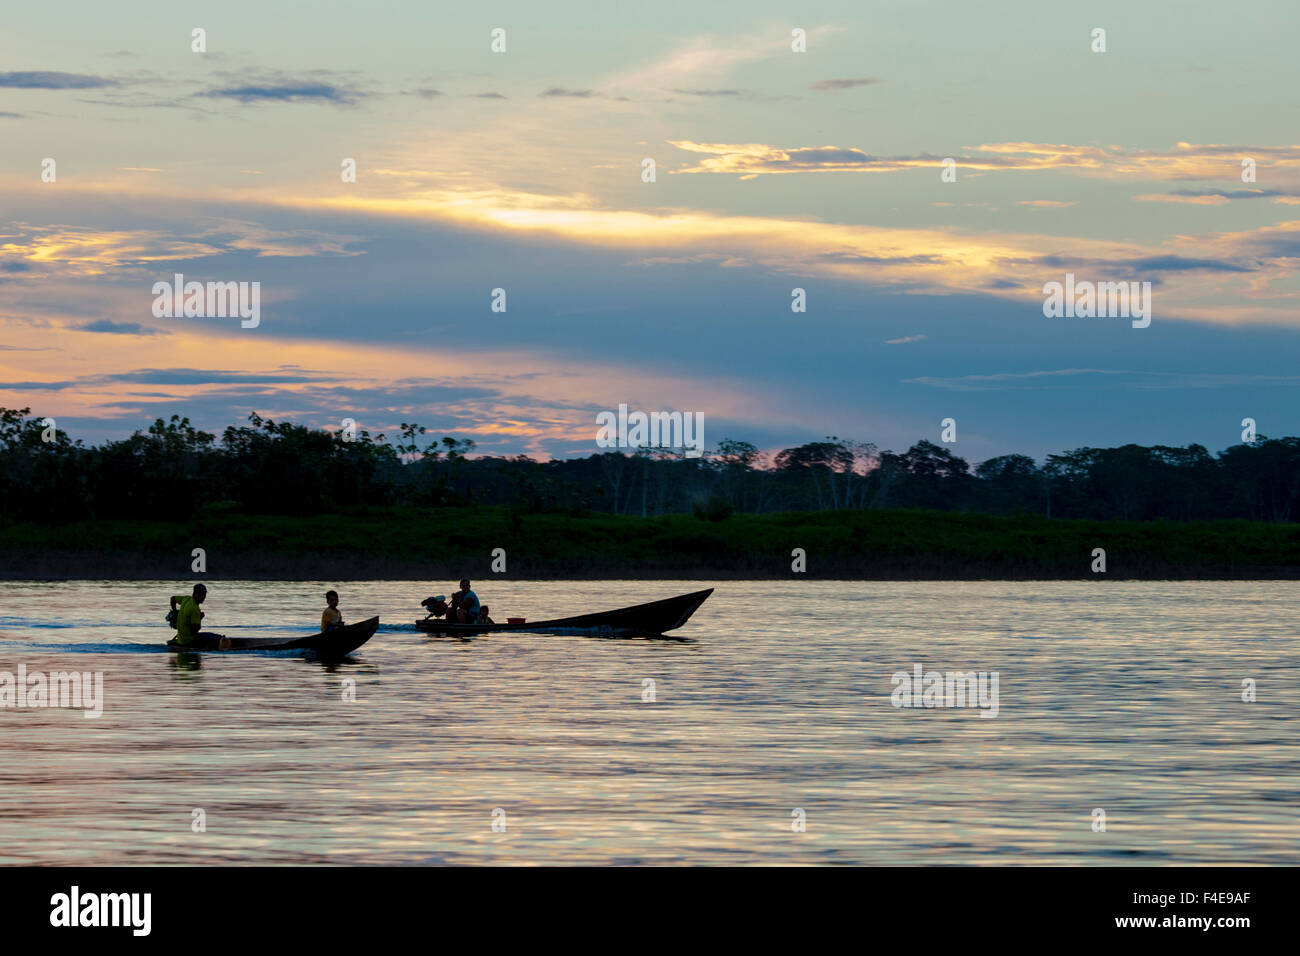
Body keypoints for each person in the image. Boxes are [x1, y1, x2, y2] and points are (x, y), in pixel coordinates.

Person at [168, 584, 229, 649]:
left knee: (209, 635)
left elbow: (173, 599)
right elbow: (195, 630)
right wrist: (200, 618)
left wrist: (175, 611)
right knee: (218, 638)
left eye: (204, 595)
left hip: (180, 639)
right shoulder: (195, 609)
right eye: (202, 595)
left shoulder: (186, 599)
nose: (204, 597)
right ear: (196, 595)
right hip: (189, 641)